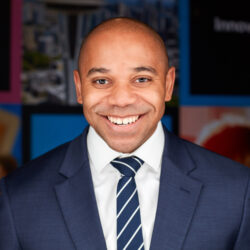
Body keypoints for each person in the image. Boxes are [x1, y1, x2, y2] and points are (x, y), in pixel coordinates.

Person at [0, 17, 250, 250]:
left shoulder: (238, 192)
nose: (121, 100)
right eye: (101, 81)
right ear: (79, 88)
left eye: (141, 79)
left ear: (168, 84)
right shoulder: (16, 197)